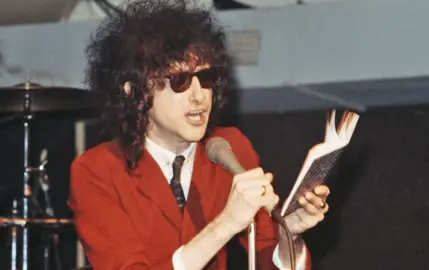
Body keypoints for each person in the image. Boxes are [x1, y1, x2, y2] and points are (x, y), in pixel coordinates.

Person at [68, 0, 330, 269]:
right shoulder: (96, 170)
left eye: (205, 78)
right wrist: (226, 224)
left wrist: (290, 235)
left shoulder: (229, 148)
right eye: (180, 81)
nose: (199, 96)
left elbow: (265, 253)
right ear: (134, 92)